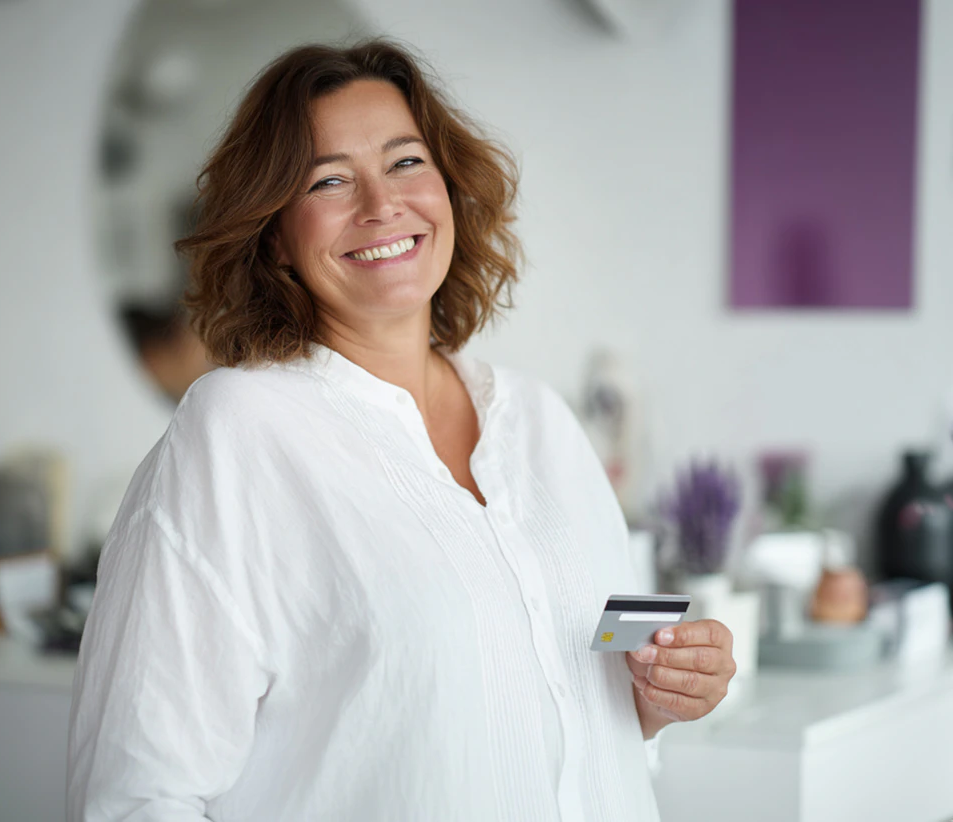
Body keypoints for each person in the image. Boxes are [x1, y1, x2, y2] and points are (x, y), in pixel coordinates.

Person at [67, 39, 736, 822]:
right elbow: (136, 796)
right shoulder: (235, 433)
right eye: (328, 179)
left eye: (405, 162)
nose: (381, 205)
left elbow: (598, 689)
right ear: (275, 234)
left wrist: (665, 692)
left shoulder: (543, 421)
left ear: (449, 188)